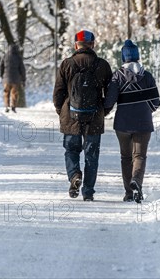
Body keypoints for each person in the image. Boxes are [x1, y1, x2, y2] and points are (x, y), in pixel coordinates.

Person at [53, 30, 112, 201]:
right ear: (93, 45)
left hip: (71, 116)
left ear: (75, 45)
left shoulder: (67, 64)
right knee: (91, 154)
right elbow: (110, 94)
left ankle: (74, 176)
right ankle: (88, 192)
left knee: (71, 150)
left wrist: (62, 111)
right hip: (94, 117)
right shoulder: (102, 65)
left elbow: (58, 92)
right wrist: (103, 110)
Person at [104, 40, 160, 203]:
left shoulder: (117, 76)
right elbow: (156, 102)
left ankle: (129, 193)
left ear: (123, 57)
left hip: (122, 124)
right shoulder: (147, 76)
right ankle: (136, 180)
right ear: (137, 56)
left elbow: (109, 102)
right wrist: (145, 110)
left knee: (125, 157)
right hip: (143, 123)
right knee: (140, 156)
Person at [0, 44, 26, 113]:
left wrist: (1, 75)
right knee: (14, 93)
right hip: (16, 79)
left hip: (6, 79)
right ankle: (13, 106)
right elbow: (22, 69)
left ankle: (6, 106)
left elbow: (1, 66)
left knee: (6, 92)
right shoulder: (18, 57)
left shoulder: (5, 56)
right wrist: (23, 79)